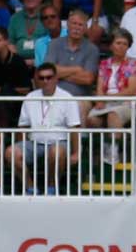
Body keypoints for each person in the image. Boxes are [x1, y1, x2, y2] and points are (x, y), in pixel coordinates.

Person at [7, 63, 82, 192]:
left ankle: (51, 188)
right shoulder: (30, 97)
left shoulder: (67, 98)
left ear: (56, 78)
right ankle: (31, 188)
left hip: (59, 142)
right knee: (10, 152)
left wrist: (76, 153)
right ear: (36, 80)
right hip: (34, 143)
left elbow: (74, 127)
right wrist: (20, 144)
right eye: (41, 78)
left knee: (56, 151)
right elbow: (23, 126)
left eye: (49, 77)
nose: (45, 81)